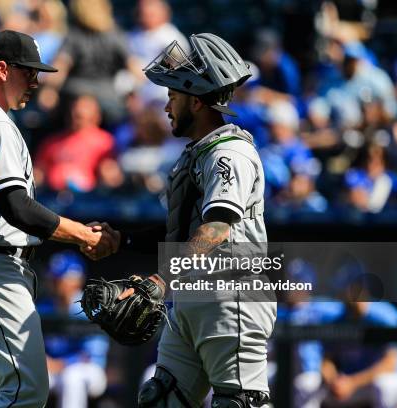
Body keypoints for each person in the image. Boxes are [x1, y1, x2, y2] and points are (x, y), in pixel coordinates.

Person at [0, 30, 117, 408]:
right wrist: (83, 234)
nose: (36, 81)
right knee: (26, 390)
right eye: (28, 71)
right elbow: (16, 206)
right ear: (1, 69)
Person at [90, 33, 276, 407]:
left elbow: (218, 227)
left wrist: (160, 279)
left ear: (195, 100)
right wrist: (123, 240)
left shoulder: (229, 153)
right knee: (160, 398)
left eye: (172, 96)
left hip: (230, 294)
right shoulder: (198, 153)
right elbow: (183, 231)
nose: (166, 107)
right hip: (193, 295)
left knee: (238, 402)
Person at [37, 250, 109, 408]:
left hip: (89, 370)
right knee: (30, 378)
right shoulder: (42, 308)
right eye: (53, 277)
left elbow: (90, 355)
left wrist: (60, 363)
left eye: (59, 278)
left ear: (76, 280)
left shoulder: (91, 307)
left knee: (72, 377)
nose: (54, 282)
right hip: (53, 369)